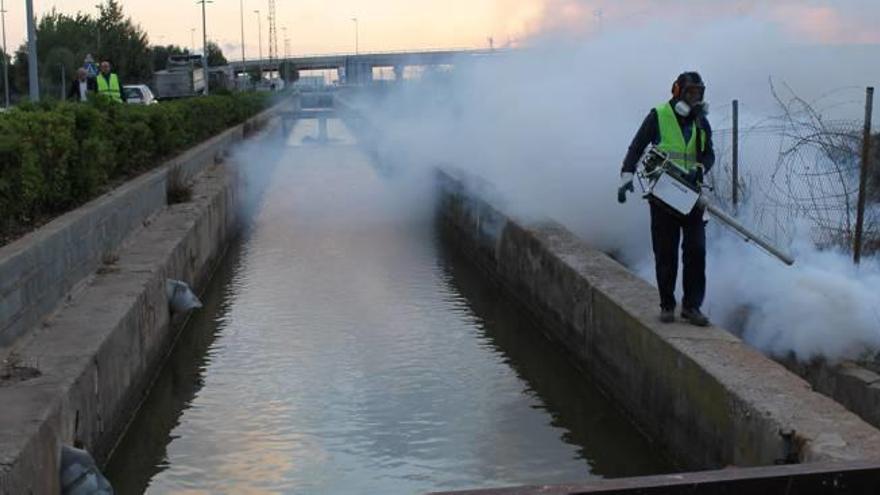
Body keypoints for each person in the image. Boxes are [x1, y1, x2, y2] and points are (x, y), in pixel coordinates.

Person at [618, 71, 716, 326]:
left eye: (699, 93)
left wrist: (701, 168)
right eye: (690, 93)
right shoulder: (658, 116)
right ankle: (667, 305)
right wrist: (626, 176)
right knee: (666, 253)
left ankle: (692, 306)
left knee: (696, 250)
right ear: (677, 92)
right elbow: (636, 147)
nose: (694, 98)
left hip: (691, 196)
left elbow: (708, 155)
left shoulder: (701, 122)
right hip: (663, 196)